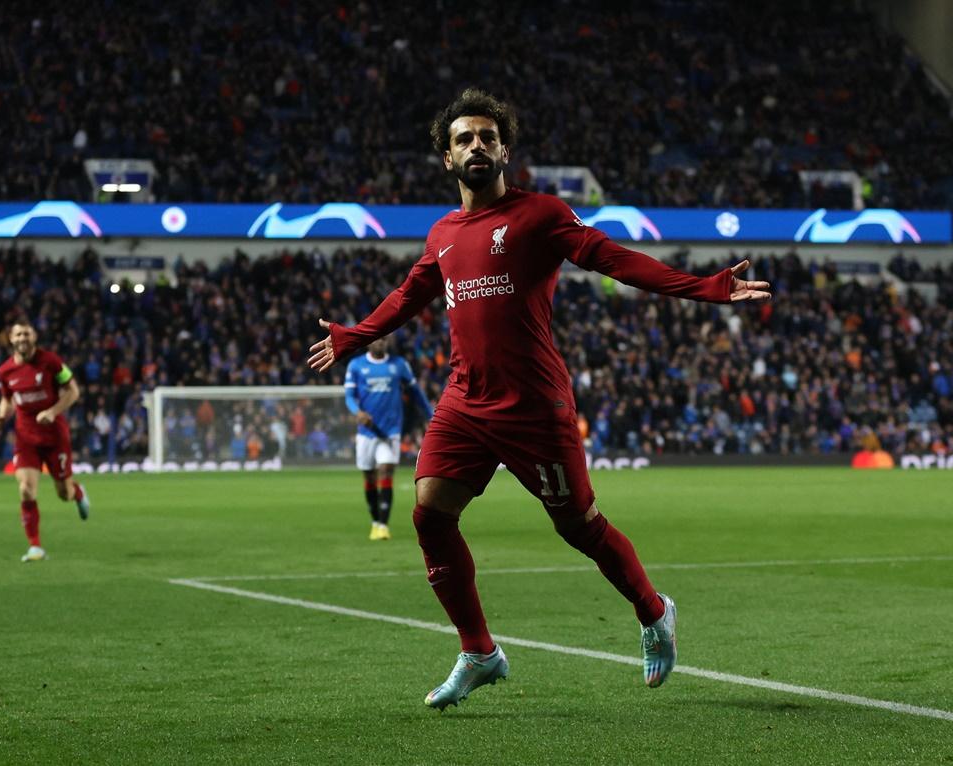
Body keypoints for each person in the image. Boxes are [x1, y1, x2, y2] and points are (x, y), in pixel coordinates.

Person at [308, 88, 770, 708]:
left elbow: (614, 259)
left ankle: (655, 611)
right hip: (465, 401)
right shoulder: (442, 234)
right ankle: (479, 652)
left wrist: (708, 287)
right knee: (429, 513)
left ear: (505, 149)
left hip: (535, 406)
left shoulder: (541, 215)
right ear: (447, 157)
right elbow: (407, 296)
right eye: (464, 138)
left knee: (578, 527)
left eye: (488, 137)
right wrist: (354, 336)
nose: (478, 145)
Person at [0, 321, 91, 562]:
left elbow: (73, 391)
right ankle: (35, 547)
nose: (23, 338)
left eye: (27, 333)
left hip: (54, 437)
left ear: (34, 336)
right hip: (26, 437)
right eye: (18, 334)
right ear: (11, 339)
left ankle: (76, 492)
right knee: (26, 489)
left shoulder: (52, 362)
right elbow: (7, 399)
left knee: (63, 493)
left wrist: (53, 411)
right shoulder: (4, 372)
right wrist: (1, 416)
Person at [344, 335, 434, 540]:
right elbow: (349, 396)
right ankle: (375, 522)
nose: (380, 343)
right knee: (369, 476)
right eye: (377, 339)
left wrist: (431, 415)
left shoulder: (399, 365)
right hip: (367, 432)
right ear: (368, 342)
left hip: (390, 431)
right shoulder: (356, 366)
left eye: (384, 339)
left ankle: (383, 525)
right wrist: (357, 412)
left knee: (385, 471)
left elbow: (416, 392)